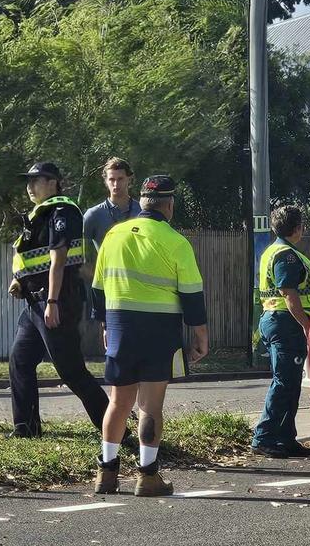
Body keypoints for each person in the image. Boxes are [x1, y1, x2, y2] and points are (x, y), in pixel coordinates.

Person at [93, 175, 209, 496]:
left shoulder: (113, 235)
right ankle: (147, 475)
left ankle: (106, 473)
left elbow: (98, 289)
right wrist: (200, 333)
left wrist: (105, 325)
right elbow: (192, 293)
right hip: (160, 330)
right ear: (169, 205)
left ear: (141, 201)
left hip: (119, 327)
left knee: (118, 401)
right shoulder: (175, 241)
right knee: (150, 405)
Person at [8, 162, 110, 439]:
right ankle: (26, 428)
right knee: (20, 361)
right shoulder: (40, 214)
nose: (30, 187)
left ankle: (115, 429)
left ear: (53, 182)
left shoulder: (62, 211)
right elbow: (35, 258)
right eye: (27, 182)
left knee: (71, 371)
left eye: (36, 180)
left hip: (56, 302)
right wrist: (21, 280)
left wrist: (52, 302)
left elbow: (59, 258)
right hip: (34, 303)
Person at [251, 206, 310, 459]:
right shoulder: (287, 255)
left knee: (290, 383)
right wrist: (307, 325)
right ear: (298, 228)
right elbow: (289, 294)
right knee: (284, 382)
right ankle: (264, 437)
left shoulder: (272, 250)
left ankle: (286, 437)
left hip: (275, 320)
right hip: (286, 323)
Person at [83, 157, 140, 324]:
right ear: (105, 181)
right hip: (109, 293)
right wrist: (100, 282)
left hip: (140, 289)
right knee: (113, 344)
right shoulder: (93, 215)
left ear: (129, 179)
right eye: (111, 179)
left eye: (120, 179)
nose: (116, 184)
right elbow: (80, 258)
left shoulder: (142, 211)